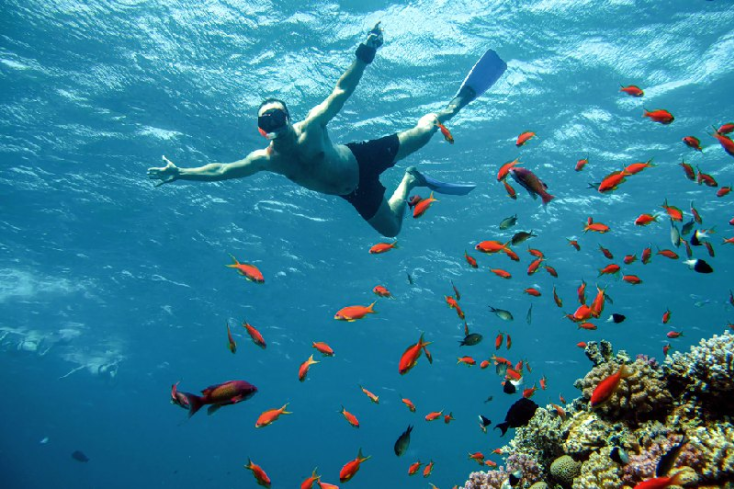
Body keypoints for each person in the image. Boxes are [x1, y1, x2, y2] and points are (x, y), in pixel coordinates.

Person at [147, 23, 505, 237]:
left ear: (288, 116)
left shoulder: (312, 125)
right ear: (262, 130)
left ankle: (455, 103)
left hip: (363, 158)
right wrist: (181, 173)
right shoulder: (266, 160)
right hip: (352, 192)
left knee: (425, 134)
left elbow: (340, 91)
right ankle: (410, 179)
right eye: (267, 122)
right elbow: (223, 170)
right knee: (392, 230)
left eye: (278, 116)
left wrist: (364, 56)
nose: (275, 124)